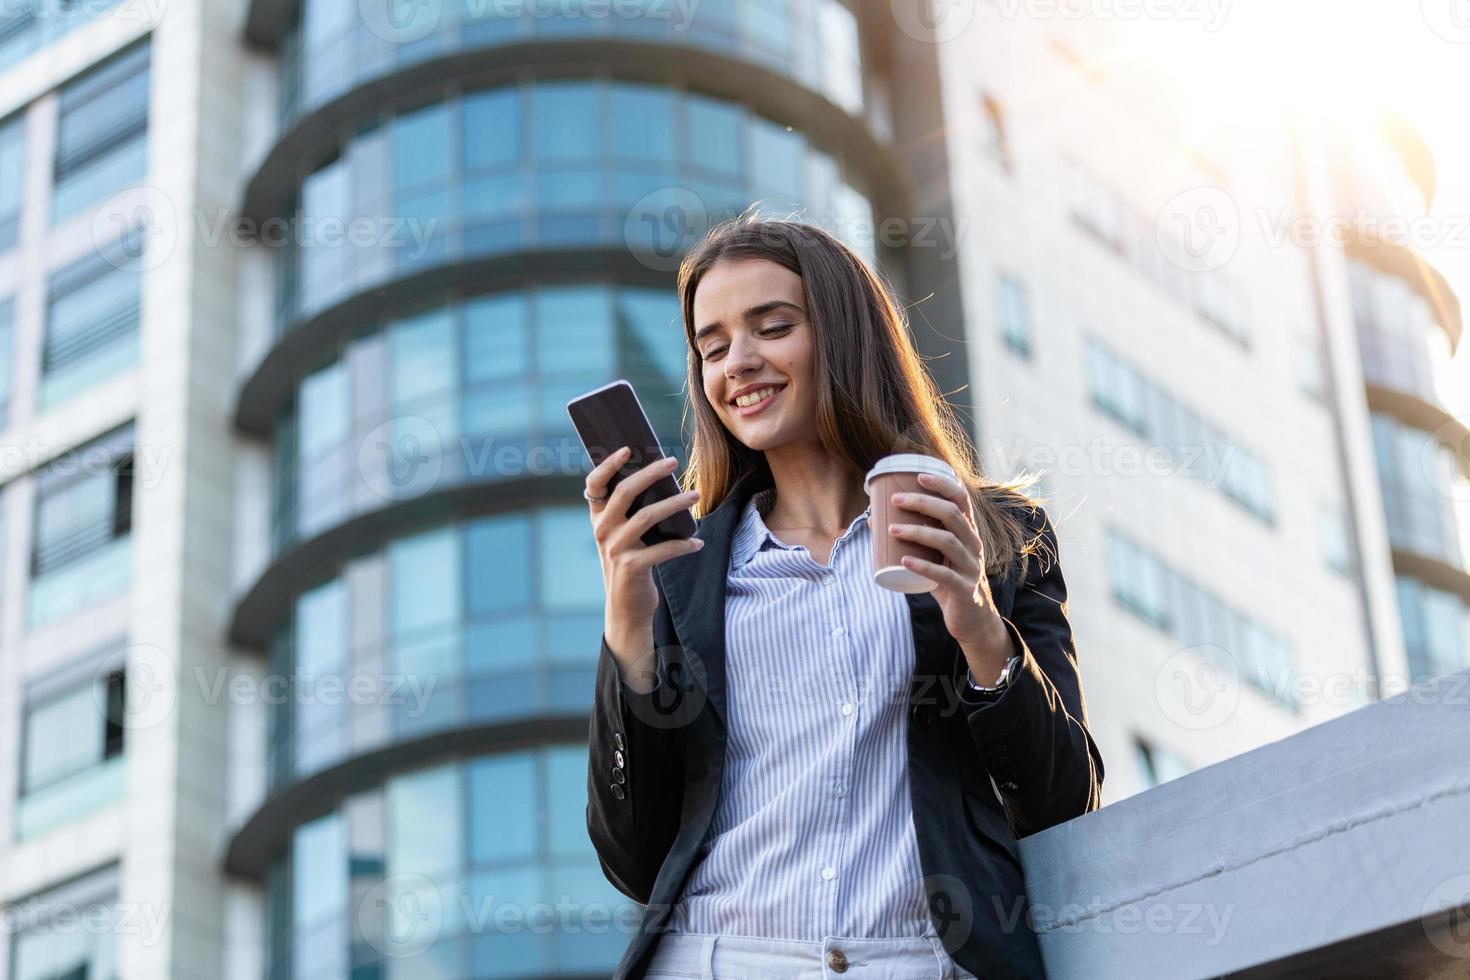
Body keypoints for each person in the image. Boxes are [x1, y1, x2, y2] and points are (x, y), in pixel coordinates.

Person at [582, 216, 1103, 979]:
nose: (740, 363)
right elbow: (633, 856)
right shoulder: (681, 569)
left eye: (773, 326)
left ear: (843, 333)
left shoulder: (995, 533)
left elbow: (1063, 799)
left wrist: (978, 626)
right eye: (713, 346)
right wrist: (627, 619)